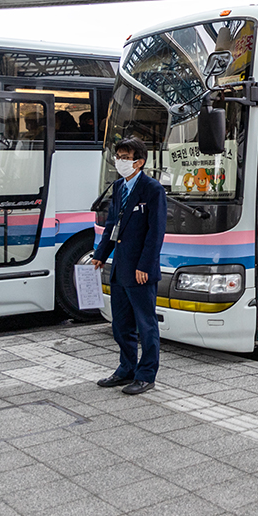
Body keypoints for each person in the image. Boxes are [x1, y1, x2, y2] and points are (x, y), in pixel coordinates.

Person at [91, 137, 167, 395]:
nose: (120, 162)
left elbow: (155, 233)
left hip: (141, 270)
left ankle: (146, 375)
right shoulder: (118, 186)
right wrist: (101, 254)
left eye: (125, 158)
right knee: (121, 324)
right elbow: (112, 225)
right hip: (120, 267)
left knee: (146, 325)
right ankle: (126, 369)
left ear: (139, 162)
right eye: (119, 157)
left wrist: (145, 265)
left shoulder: (152, 189)